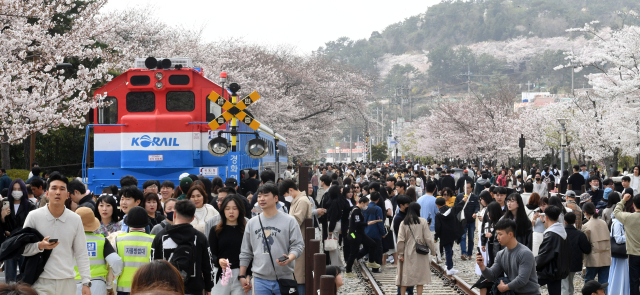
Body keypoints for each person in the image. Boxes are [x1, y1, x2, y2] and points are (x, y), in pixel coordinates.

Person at [21, 172, 92, 295]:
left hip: (67, 282)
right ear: (47, 193)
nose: (58, 192)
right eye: (54, 188)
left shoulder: (75, 219)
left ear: (68, 195)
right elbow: (22, 248)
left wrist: (86, 282)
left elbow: (81, 253)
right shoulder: (34, 216)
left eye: (62, 189)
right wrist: (40, 246)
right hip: (40, 281)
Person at [238, 183, 304, 295]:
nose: (261, 199)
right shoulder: (252, 223)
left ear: (276, 198)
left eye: (266, 195)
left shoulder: (289, 221)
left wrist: (289, 258)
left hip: (284, 278)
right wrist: (242, 275)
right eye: (259, 196)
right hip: (260, 279)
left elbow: (298, 245)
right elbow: (245, 252)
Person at [152, 200, 213, 295]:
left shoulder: (161, 236)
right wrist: (209, 287)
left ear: (174, 214)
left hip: (166, 289)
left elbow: (153, 264)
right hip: (194, 289)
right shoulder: (200, 238)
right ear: (193, 218)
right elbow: (208, 265)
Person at [476, 218, 540, 295]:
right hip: (513, 292)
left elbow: (522, 279)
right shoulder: (501, 254)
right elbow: (491, 276)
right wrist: (482, 266)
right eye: (497, 234)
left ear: (510, 234)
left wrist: (505, 287)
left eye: (500, 234)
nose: (497, 237)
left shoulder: (525, 253)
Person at [74, 207, 124, 295]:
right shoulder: (102, 241)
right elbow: (116, 261)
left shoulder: (69, 241)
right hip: (97, 285)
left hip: (73, 284)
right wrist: (114, 277)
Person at [210, 194, 249, 295]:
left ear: (240, 210)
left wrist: (248, 275)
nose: (231, 212)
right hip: (221, 274)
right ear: (223, 210)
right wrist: (219, 260)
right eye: (227, 208)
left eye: (235, 208)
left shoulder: (246, 229)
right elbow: (211, 255)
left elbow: (250, 254)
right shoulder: (215, 230)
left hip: (241, 274)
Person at [279, 179, 312, 295]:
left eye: (285, 195)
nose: (285, 198)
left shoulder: (302, 201)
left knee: (299, 277)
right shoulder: (296, 201)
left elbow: (295, 221)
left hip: (300, 243)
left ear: (291, 190)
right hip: (295, 243)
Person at [396, 202, 437, 295]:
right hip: (420, 252)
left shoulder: (404, 222)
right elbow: (428, 238)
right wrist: (433, 251)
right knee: (420, 277)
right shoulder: (422, 221)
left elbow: (400, 240)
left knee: (405, 276)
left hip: (407, 251)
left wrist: (400, 254)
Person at [2, 178, 36, 283]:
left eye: (19, 189)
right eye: (14, 189)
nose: (16, 191)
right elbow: (3, 227)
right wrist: (2, 217)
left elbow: (31, 226)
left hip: (24, 243)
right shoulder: (5, 204)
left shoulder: (30, 206)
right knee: (10, 277)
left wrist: (13, 233)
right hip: (10, 244)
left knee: (24, 276)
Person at [114, 206, 154, 295]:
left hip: (123, 287)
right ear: (146, 224)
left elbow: (115, 263)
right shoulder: (153, 240)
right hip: (146, 286)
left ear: (128, 223)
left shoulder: (119, 240)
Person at [535, 205, 570, 295]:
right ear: (558, 217)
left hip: (549, 271)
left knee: (528, 285)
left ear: (546, 217)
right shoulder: (562, 231)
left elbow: (544, 256)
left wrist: (532, 264)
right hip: (558, 270)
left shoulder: (551, 234)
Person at [345, 196, 381, 277]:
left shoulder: (358, 210)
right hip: (354, 234)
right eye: (366, 204)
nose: (367, 206)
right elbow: (357, 223)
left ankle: (371, 262)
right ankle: (348, 271)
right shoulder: (356, 211)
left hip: (360, 233)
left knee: (372, 244)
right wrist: (368, 223)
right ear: (362, 203)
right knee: (353, 253)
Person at [613, 192, 640, 295]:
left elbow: (616, 211)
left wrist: (623, 200)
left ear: (633, 204)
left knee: (634, 281)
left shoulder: (628, 217)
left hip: (633, 254)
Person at [434, 194, 466, 275]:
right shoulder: (451, 210)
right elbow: (459, 207)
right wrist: (463, 201)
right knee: (450, 250)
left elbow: (438, 227)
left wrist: (436, 237)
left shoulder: (438, 215)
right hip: (452, 233)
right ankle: (449, 266)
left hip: (444, 235)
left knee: (448, 250)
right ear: (445, 203)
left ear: (437, 205)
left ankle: (449, 267)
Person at [581, 202, 611, 285]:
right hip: (606, 257)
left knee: (589, 284)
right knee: (604, 284)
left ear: (586, 212)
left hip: (592, 259)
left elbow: (585, 245)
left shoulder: (586, 226)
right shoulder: (603, 223)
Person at [562, 212, 591, 295]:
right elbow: (587, 249)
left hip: (562, 262)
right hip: (574, 262)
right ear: (574, 221)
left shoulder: (560, 233)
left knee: (564, 284)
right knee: (570, 281)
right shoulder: (580, 234)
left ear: (565, 221)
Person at [608, 206, 630, 295]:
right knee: (619, 274)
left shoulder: (616, 222)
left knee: (617, 274)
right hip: (620, 254)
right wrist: (626, 237)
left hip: (617, 254)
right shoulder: (617, 223)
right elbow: (618, 239)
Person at [363, 191, 385, 273]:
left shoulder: (365, 207)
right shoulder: (378, 209)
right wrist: (383, 233)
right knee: (378, 250)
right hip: (375, 232)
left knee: (367, 249)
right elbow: (379, 222)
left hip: (366, 231)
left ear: (370, 198)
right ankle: (376, 267)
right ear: (378, 199)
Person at [457, 181, 479, 260]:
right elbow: (456, 207)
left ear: (471, 188)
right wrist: (462, 201)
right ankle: (463, 253)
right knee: (463, 237)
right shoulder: (459, 196)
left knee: (471, 237)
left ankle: (469, 253)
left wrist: (475, 213)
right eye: (465, 188)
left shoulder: (475, 197)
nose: (466, 189)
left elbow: (477, 206)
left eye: (468, 188)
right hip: (463, 220)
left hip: (471, 221)